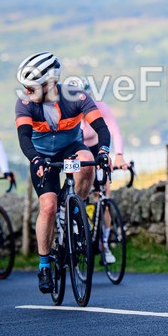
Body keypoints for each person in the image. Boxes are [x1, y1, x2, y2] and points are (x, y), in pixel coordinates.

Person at [14, 52, 111, 293]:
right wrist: (35, 159)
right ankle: (45, 265)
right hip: (41, 155)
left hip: (70, 149)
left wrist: (104, 151)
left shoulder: (76, 96)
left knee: (88, 159)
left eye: (32, 87)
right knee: (48, 206)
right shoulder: (25, 103)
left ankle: (75, 211)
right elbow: (24, 137)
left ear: (50, 83)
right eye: (25, 87)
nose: (27, 91)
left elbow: (101, 128)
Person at [71, 79, 127, 265]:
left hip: (96, 148)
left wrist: (118, 155)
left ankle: (104, 243)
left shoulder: (99, 107)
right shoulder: (67, 112)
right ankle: (76, 229)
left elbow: (114, 131)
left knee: (104, 194)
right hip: (75, 150)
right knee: (79, 191)